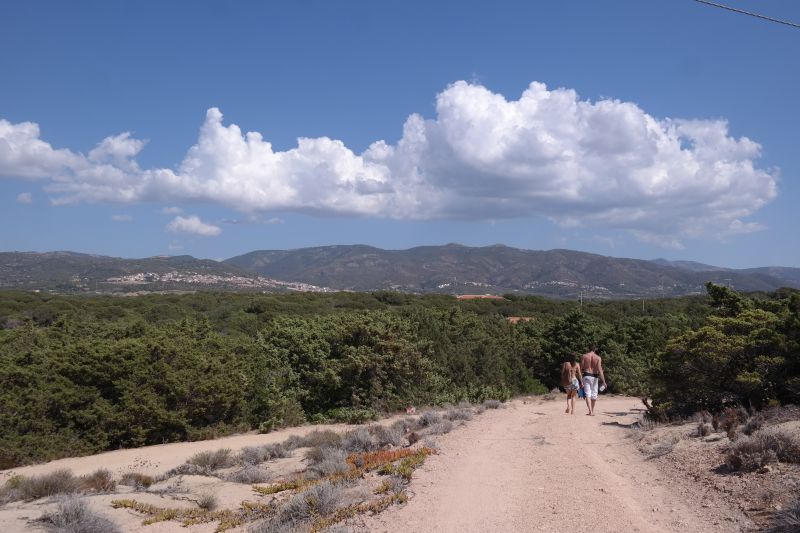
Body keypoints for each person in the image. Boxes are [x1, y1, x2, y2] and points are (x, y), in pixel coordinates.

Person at [580, 345, 606, 416]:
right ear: (595, 350)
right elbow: (600, 370)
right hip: (594, 376)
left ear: (589, 349)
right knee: (594, 394)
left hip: (586, 375)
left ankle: (590, 411)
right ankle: (592, 410)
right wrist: (604, 381)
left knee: (587, 394)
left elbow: (581, 367)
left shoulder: (584, 356)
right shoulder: (598, 358)